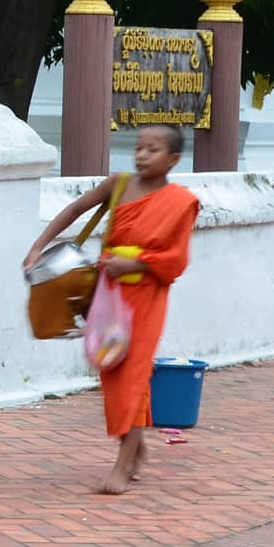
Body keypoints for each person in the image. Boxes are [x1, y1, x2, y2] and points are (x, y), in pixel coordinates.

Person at [25, 124, 200, 495]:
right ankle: (138, 447)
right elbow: (75, 209)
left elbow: (177, 259)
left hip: (147, 296)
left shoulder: (180, 202)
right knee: (112, 369)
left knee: (133, 374)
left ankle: (124, 461)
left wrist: (135, 265)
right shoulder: (119, 185)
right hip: (108, 295)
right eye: (139, 147)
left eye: (153, 150)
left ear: (173, 160)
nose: (142, 155)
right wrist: (38, 246)